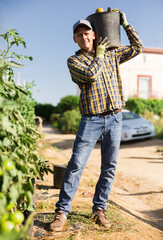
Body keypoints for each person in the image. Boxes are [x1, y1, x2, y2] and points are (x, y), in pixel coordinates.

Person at [50, 11, 144, 232]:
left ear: (94, 34)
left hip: (115, 117)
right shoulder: (74, 60)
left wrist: (126, 24)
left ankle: (99, 209)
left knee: (109, 166)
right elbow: (91, 75)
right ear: (75, 39)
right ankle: (62, 211)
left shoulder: (112, 53)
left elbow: (137, 47)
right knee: (75, 165)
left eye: (87, 33)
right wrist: (99, 55)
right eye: (79, 35)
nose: (84, 37)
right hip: (91, 119)